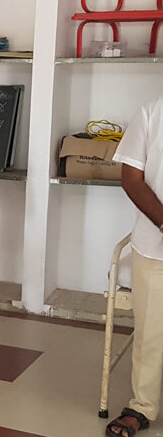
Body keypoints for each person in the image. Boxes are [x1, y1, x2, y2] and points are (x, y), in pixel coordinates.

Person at [105, 99, 163, 436]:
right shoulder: (152, 113)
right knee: (150, 333)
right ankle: (142, 406)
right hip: (155, 245)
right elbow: (131, 178)